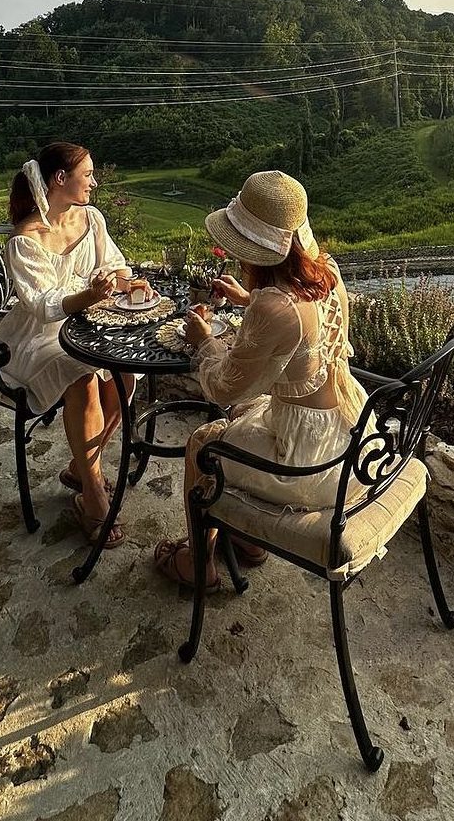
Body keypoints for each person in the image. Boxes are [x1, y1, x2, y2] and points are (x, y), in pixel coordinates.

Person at [153, 170, 368, 590]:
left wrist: (203, 340)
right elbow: (300, 320)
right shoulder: (327, 271)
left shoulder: (274, 307)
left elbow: (222, 386)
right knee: (243, 414)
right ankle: (247, 541)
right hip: (349, 432)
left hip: (310, 463)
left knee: (202, 443)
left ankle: (197, 562)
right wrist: (247, 298)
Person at [0, 141, 148, 544]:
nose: (94, 183)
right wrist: (90, 295)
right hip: (36, 336)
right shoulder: (24, 240)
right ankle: (93, 493)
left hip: (87, 326)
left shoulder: (92, 218)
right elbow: (44, 306)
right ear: (60, 178)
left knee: (125, 375)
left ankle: (79, 468)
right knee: (82, 377)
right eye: (88, 175)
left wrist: (127, 282)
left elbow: (114, 265)